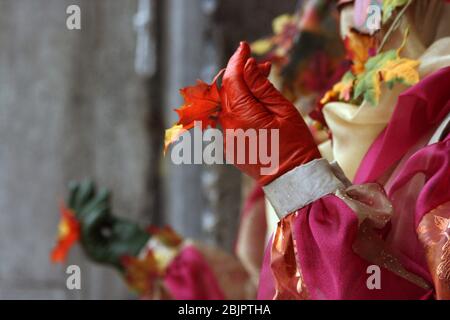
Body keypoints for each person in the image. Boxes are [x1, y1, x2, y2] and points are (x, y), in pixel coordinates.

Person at [219, 0, 450, 299]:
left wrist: (296, 179)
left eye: (369, 7)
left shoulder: (437, 140)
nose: (354, 21)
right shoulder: (390, 118)